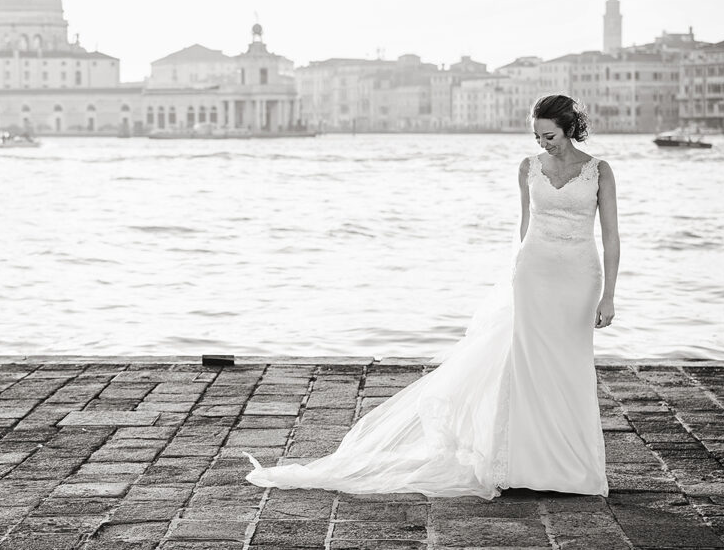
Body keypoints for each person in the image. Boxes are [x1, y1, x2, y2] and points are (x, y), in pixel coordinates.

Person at [244, 94, 619, 499]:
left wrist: (609, 296)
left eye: (549, 135)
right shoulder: (529, 168)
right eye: (536, 135)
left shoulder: (599, 171)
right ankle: (528, 465)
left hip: (580, 277)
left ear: (569, 127)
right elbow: (524, 229)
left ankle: (574, 467)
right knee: (529, 369)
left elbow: (612, 236)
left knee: (571, 368)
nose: (542, 143)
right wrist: (512, 279)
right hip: (534, 274)